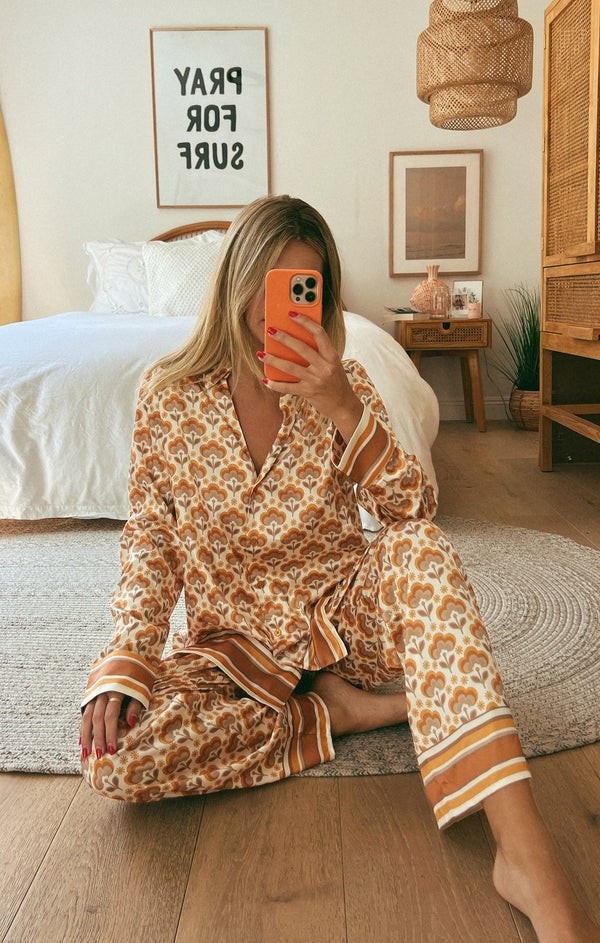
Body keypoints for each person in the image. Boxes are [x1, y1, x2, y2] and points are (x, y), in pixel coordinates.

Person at [79, 195, 599, 942]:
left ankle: (528, 859)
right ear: (236, 281)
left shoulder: (343, 381)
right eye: (271, 285)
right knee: (114, 760)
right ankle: (345, 713)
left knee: (421, 549)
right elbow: (151, 540)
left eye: (305, 289)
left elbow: (412, 508)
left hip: (342, 622)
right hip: (235, 651)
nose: (284, 309)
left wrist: (343, 406)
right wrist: (128, 655)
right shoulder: (167, 395)